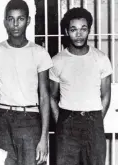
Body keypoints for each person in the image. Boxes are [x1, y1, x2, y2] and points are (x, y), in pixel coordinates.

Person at [0, 0, 52, 164]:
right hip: (3, 119)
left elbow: (44, 96)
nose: (15, 24)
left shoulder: (39, 53)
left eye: (20, 19)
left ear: (28, 21)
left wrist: (44, 138)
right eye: (11, 19)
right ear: (5, 21)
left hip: (31, 120)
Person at [50, 7, 112, 165]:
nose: (78, 34)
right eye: (73, 29)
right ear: (66, 31)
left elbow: (106, 95)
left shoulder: (101, 59)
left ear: (89, 30)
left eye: (83, 29)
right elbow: (52, 96)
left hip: (94, 123)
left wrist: (95, 119)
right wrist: (61, 121)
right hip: (66, 123)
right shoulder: (57, 61)